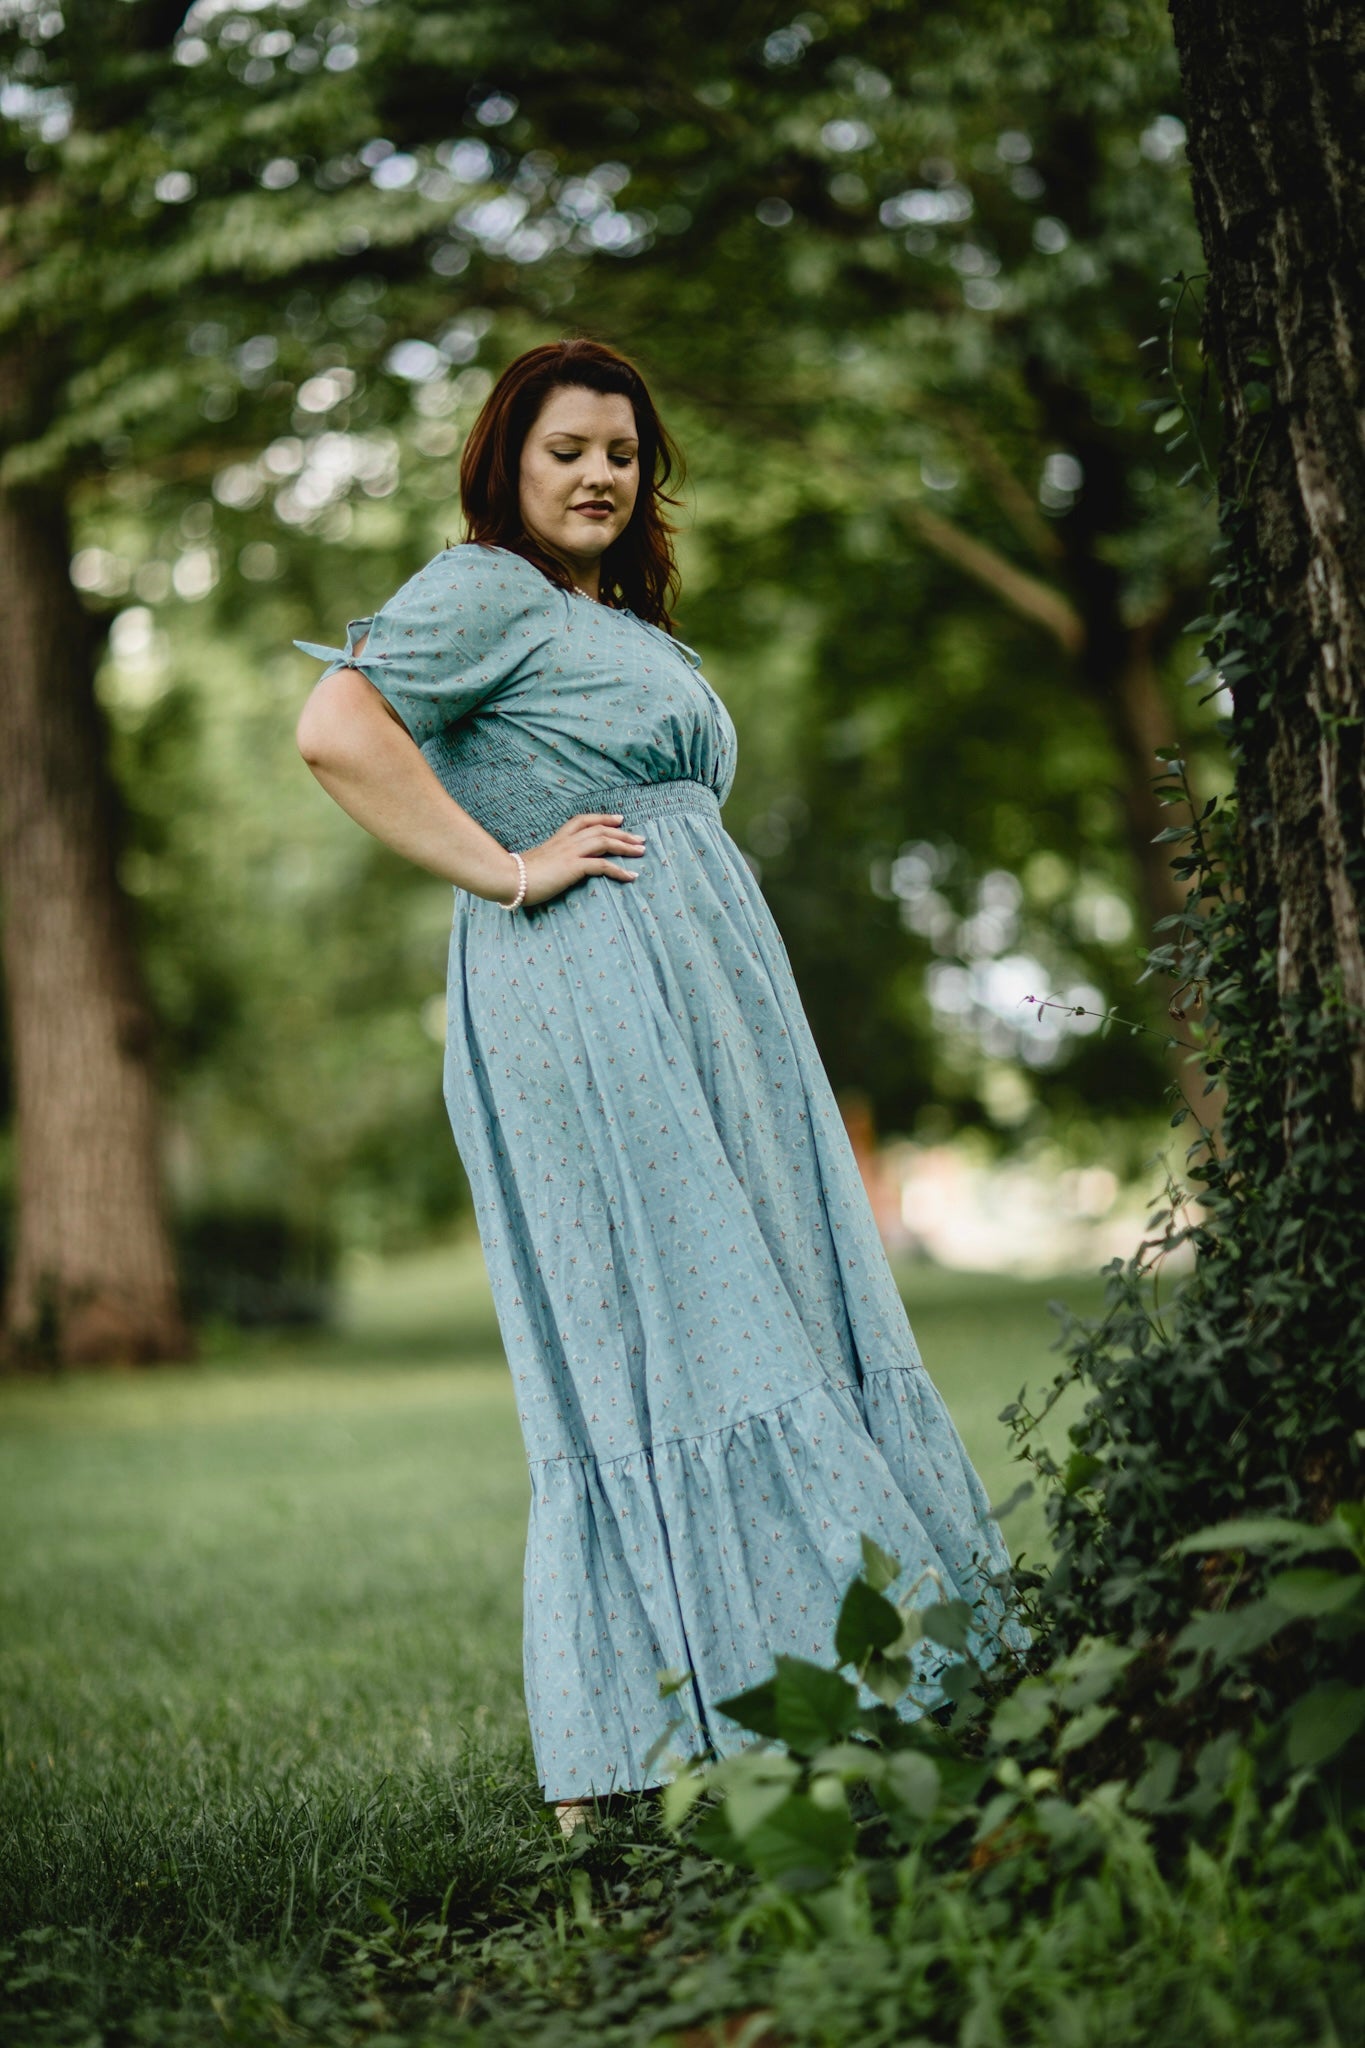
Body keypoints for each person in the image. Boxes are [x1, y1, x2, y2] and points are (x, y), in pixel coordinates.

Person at [294, 337, 1028, 1836]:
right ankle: (717, 1740)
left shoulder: (605, 616)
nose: (599, 476)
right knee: (688, 1326)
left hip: (703, 1007)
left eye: (622, 455)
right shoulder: (485, 588)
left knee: (768, 1305)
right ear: (505, 464)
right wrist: (507, 870)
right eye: (565, 450)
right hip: (589, 1000)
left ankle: (815, 1702)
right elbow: (335, 729)